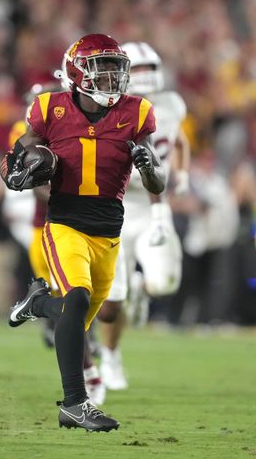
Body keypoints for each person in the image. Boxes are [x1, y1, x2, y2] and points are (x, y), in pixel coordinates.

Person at [0, 34, 165, 431]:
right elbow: (11, 163)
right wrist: (18, 174)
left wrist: (148, 166)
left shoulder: (137, 112)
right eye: (101, 69)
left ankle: (37, 304)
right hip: (65, 224)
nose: (110, 78)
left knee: (79, 323)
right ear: (77, 72)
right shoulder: (49, 109)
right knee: (75, 302)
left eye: (115, 69)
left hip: (109, 232)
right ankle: (76, 403)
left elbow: (158, 184)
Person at [95, 41, 190, 392]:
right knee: (110, 304)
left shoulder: (171, 105)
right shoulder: (105, 109)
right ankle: (111, 356)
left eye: (150, 69)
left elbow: (178, 142)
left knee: (165, 283)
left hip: (153, 207)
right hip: (118, 206)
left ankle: (141, 289)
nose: (145, 77)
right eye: (137, 70)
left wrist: (183, 174)